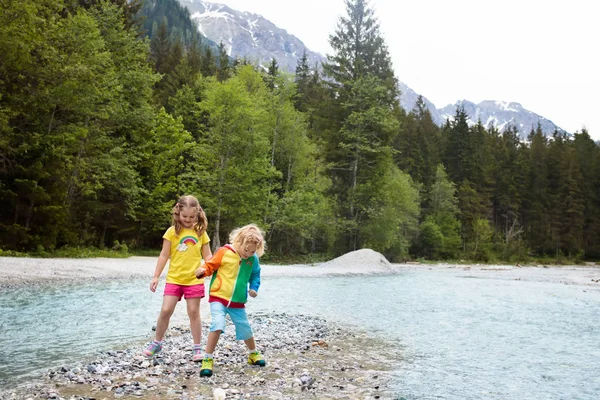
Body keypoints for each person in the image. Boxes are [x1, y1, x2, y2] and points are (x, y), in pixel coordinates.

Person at [142, 195, 212, 362]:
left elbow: (208, 254)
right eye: (184, 216)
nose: (187, 220)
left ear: (198, 214)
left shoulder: (200, 232)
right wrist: (156, 276)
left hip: (194, 279)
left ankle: (197, 348)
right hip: (174, 278)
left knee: (194, 312)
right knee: (166, 310)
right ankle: (157, 342)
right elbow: (164, 255)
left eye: (192, 217)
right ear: (178, 213)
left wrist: (211, 268)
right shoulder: (172, 232)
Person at [194, 224, 266, 377]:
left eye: (253, 251)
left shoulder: (252, 259)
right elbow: (210, 265)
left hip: (237, 301)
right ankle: (208, 358)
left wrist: (254, 287)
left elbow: (255, 275)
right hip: (218, 297)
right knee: (218, 324)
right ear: (239, 243)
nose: (249, 254)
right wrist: (202, 271)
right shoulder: (224, 252)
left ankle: (253, 354)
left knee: (245, 327)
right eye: (246, 250)